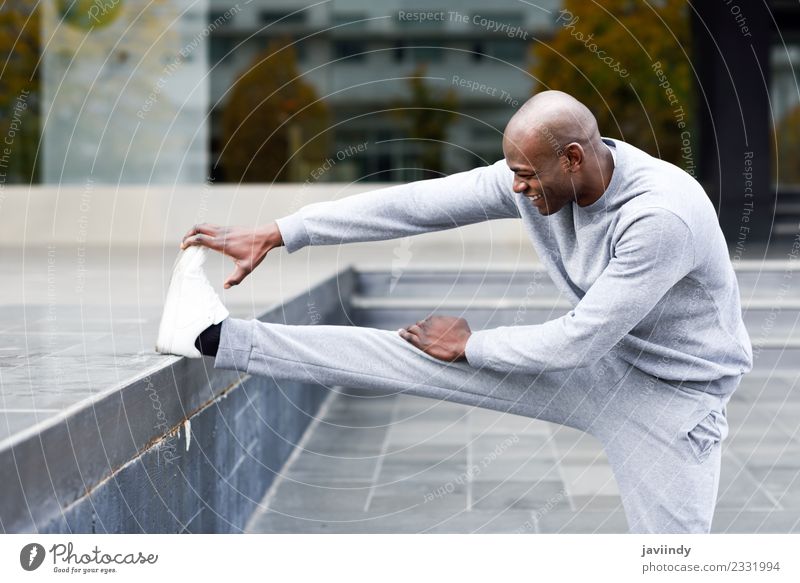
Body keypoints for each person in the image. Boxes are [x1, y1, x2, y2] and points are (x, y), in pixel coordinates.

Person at [155, 90, 753, 533]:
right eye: (513, 173)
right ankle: (212, 337)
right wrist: (284, 231)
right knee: (400, 355)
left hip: (673, 403)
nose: (516, 187)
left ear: (573, 158)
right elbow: (420, 205)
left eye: (526, 175)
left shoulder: (660, 216)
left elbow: (579, 339)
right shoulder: (537, 173)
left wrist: (471, 345)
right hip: (604, 362)